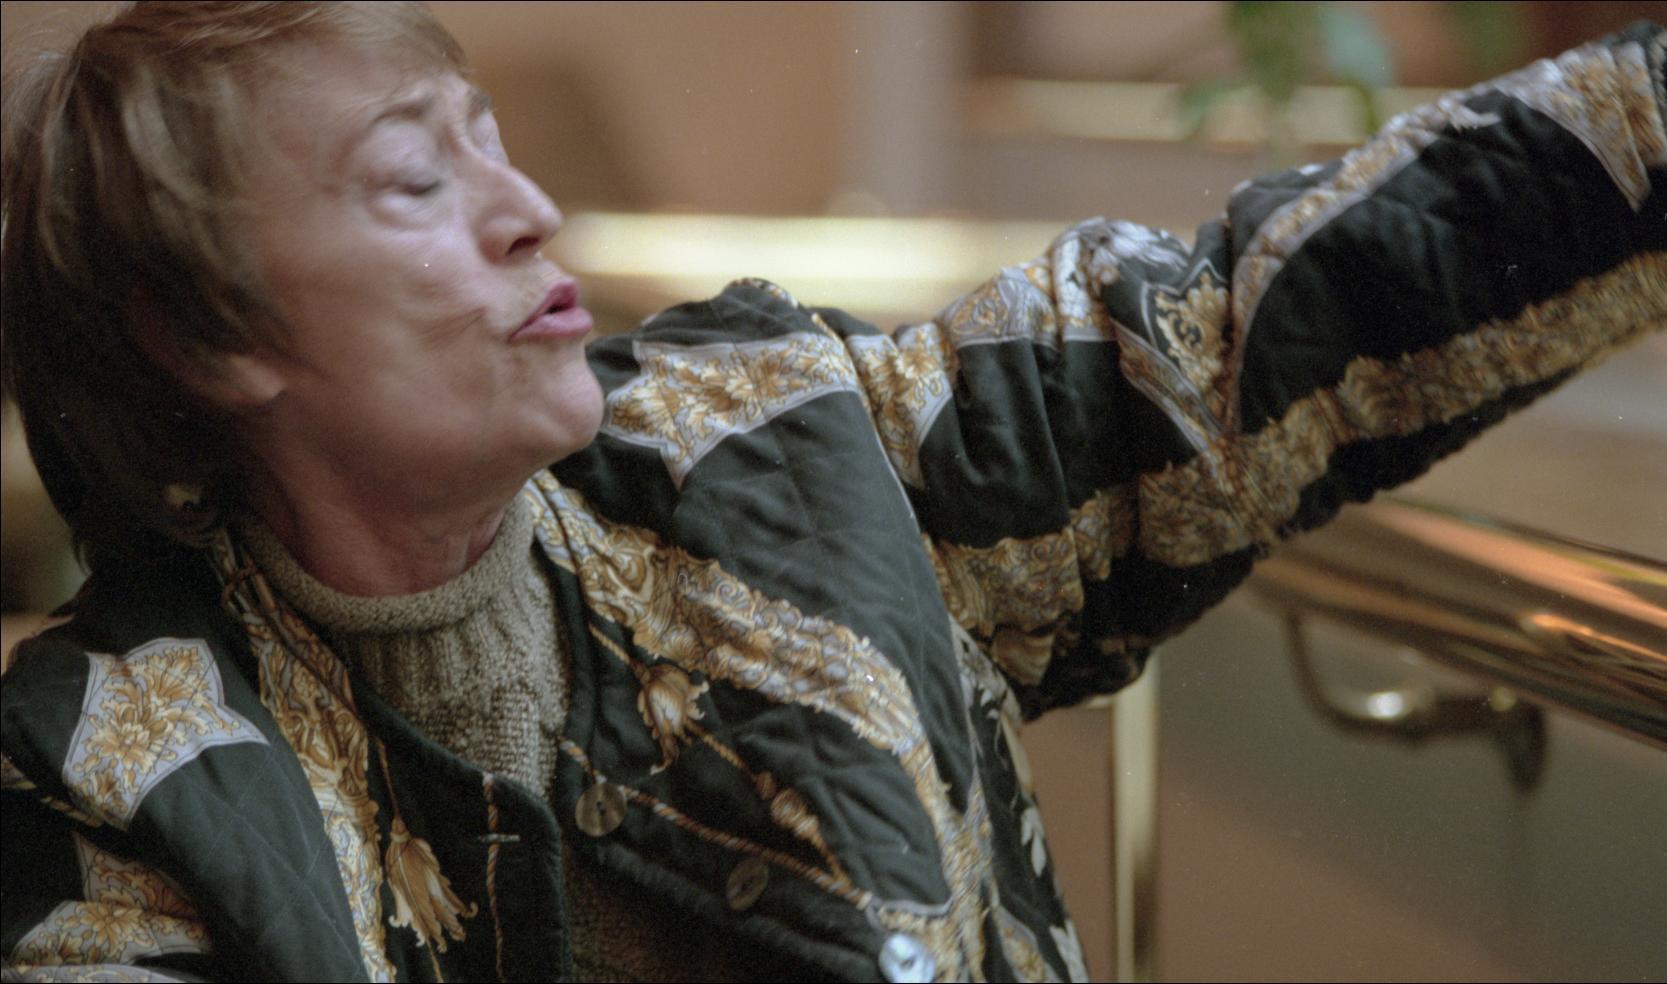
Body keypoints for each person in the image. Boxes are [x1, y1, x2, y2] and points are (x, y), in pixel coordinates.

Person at [1, 2, 1660, 981]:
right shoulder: (113, 775)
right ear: (203, 336)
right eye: (417, 177)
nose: (527, 208)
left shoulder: (786, 455)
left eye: (492, 139)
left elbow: (1243, 334)